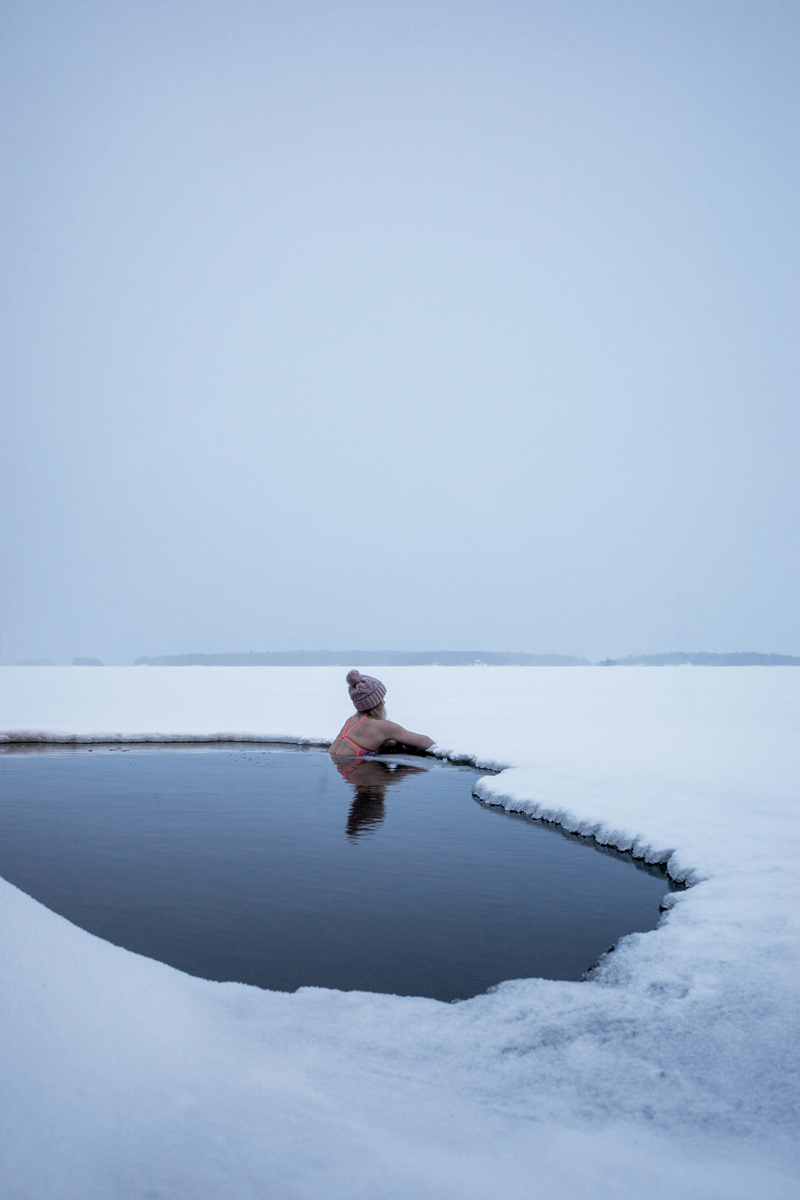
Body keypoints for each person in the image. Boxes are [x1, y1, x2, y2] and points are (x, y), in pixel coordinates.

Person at [329, 669, 434, 759]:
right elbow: (426, 742)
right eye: (381, 699)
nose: (384, 702)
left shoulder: (350, 721)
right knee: (402, 773)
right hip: (359, 774)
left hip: (342, 774)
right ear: (376, 703)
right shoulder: (383, 727)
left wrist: (386, 744)